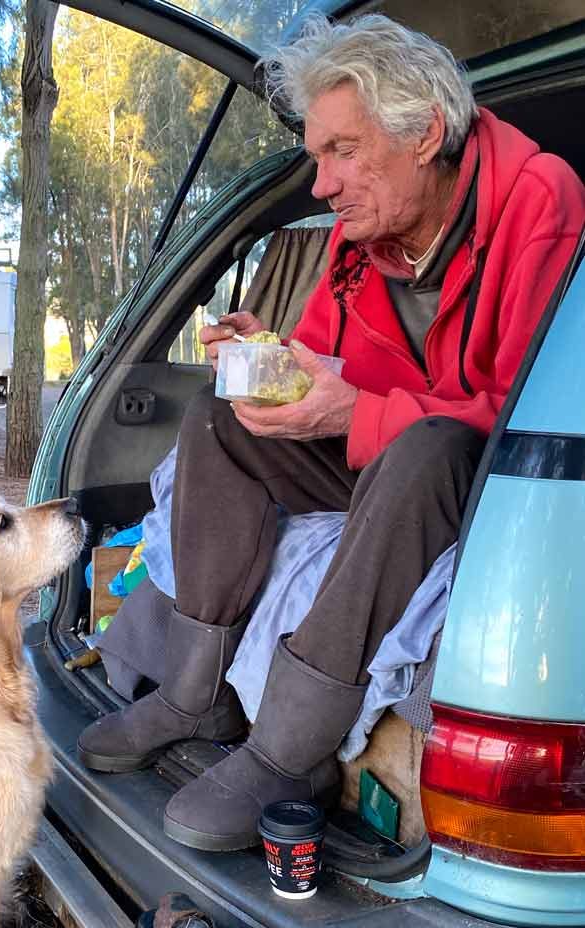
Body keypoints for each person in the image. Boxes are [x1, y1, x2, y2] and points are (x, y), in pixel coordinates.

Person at [77, 13, 585, 853]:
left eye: (341, 151)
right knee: (212, 418)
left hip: (474, 481)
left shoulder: (541, 198)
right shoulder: (366, 240)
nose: (320, 185)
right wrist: (272, 360)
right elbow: (325, 362)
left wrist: (361, 413)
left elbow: (522, 419)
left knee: (428, 447)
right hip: (376, 462)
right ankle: (194, 689)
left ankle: (290, 749)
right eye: (317, 156)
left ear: (424, 133)